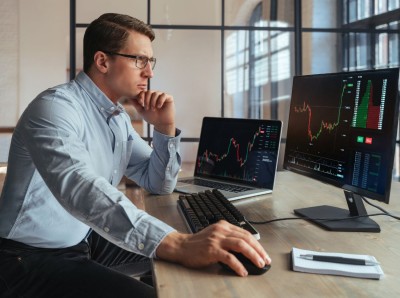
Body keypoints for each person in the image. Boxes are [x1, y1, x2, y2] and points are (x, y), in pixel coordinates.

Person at [0, 13, 271, 297]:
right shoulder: (55, 109)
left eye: (150, 62)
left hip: (84, 237)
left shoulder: (117, 118)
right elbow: (81, 190)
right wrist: (176, 244)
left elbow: (158, 183)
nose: (149, 73)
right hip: (27, 258)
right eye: (139, 60)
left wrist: (164, 128)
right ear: (103, 61)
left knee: (206, 263)